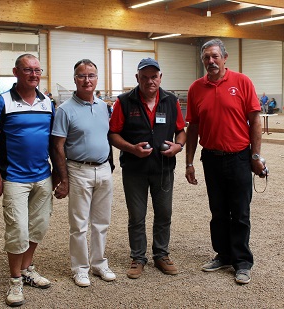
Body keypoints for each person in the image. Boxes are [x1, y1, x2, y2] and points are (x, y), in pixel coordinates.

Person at [185, 39, 265, 285]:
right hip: (211, 158)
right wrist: (188, 162)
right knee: (218, 211)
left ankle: (242, 262)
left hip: (239, 157)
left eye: (215, 56)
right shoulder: (196, 88)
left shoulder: (242, 82)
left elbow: (256, 121)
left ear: (225, 57)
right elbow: (193, 128)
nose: (211, 61)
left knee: (240, 212)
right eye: (206, 58)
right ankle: (223, 255)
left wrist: (255, 156)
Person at [0, 54, 55, 307]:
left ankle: (27, 270)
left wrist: (59, 174)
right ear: (16, 72)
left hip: (43, 177)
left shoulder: (48, 102)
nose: (34, 74)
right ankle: (15, 281)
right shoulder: (2, 102)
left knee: (39, 227)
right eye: (28, 70)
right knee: (18, 230)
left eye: (37, 70)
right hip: (14, 178)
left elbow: (54, 142)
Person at [109, 57, 186, 279]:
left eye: (154, 76)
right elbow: (113, 134)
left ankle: (161, 255)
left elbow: (181, 130)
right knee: (137, 215)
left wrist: (178, 146)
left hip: (163, 167)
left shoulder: (171, 101)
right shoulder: (124, 101)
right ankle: (138, 258)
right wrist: (131, 148)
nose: (150, 81)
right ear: (137, 78)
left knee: (164, 212)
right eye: (145, 77)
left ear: (160, 77)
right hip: (134, 168)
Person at [51, 59, 115, 287]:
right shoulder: (65, 110)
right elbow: (57, 146)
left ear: (97, 78)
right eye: (82, 76)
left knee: (102, 221)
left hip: (104, 169)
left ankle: (99, 263)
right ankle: (80, 268)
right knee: (79, 224)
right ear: (75, 79)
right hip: (79, 169)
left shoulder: (103, 106)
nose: (87, 80)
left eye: (91, 75)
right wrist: (64, 179)